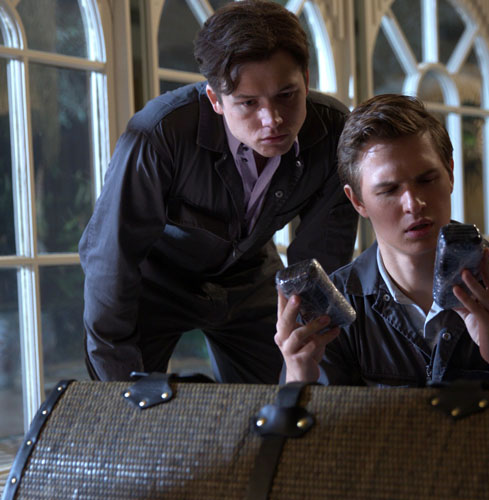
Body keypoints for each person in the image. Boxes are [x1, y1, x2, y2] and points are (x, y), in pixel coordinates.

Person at [79, 0, 358, 384]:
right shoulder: (159, 134)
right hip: (152, 281)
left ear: (306, 81)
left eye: (286, 95)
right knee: (132, 402)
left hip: (250, 276)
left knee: (284, 399)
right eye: (248, 103)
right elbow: (111, 258)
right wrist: (119, 393)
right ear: (215, 100)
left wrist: (304, 367)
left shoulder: (334, 134)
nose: (273, 119)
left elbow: (319, 265)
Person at [275, 94, 489, 389]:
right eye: (389, 190)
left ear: (450, 173)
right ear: (357, 201)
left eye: (426, 179)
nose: (414, 203)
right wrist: (298, 384)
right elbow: (321, 426)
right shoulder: (334, 313)